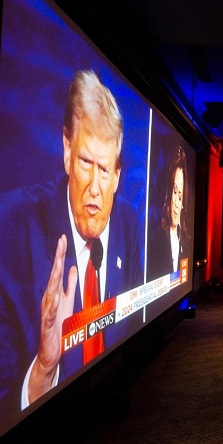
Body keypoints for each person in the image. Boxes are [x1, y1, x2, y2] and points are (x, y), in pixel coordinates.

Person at [0, 70, 144, 409]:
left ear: (117, 175)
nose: (95, 187)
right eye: (85, 162)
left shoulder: (127, 222)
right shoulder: (13, 231)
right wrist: (44, 369)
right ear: (66, 150)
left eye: (105, 169)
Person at [147, 146, 189, 281]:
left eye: (180, 196)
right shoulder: (155, 242)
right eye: (175, 193)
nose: (177, 203)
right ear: (166, 194)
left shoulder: (185, 240)